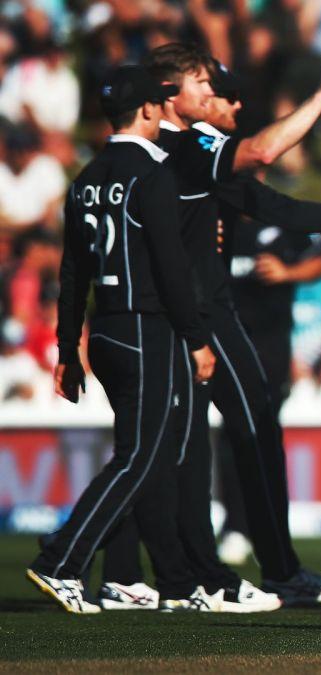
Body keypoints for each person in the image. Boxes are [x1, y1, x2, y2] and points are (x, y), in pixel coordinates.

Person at [96, 43, 321, 609]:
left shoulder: (165, 154)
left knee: (167, 446)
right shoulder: (188, 143)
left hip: (173, 312)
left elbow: (278, 209)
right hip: (198, 312)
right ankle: (261, 571)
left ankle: (150, 574)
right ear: (169, 95)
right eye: (205, 83)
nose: (217, 94)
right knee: (231, 436)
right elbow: (265, 155)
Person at [26, 65, 216, 613]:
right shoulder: (152, 176)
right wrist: (197, 338)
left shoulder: (86, 177)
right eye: (159, 102)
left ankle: (149, 580)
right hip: (145, 328)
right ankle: (61, 560)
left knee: (143, 459)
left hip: (105, 332)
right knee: (138, 459)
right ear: (149, 111)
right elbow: (172, 269)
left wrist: (67, 350)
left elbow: (71, 276)